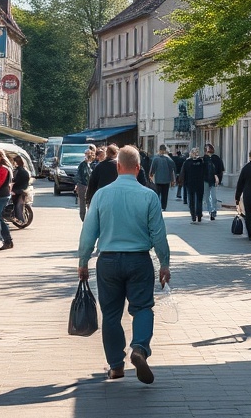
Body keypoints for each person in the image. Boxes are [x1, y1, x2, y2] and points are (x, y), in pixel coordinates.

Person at [77, 146, 171, 384]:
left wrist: (83, 261)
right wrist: (164, 264)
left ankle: (116, 366)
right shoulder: (149, 196)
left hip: (108, 260)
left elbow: (88, 233)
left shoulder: (101, 195)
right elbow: (159, 235)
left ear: (118, 166)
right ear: (139, 169)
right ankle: (139, 347)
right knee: (142, 308)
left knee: (110, 314)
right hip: (139, 259)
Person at [180, 147, 207, 224]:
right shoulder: (201, 162)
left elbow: (183, 173)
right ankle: (199, 215)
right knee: (199, 200)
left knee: (191, 200)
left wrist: (182, 182)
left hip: (190, 183)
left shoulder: (187, 162)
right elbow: (205, 171)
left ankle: (193, 216)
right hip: (200, 183)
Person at [149, 145, 177, 211]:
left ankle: (157, 206)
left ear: (159, 150)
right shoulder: (169, 159)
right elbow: (173, 169)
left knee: (157, 194)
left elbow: (152, 169)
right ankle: (164, 207)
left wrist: (151, 175)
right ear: (165, 150)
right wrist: (173, 179)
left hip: (158, 179)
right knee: (165, 194)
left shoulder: (156, 159)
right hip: (167, 180)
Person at [202, 143, 225, 221]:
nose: (208, 151)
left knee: (214, 197)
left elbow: (221, 170)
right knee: (206, 197)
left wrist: (219, 179)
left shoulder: (216, 158)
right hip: (205, 180)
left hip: (214, 180)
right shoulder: (203, 159)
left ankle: (213, 211)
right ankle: (210, 210)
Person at [75, 147, 95, 221]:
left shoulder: (93, 164)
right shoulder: (82, 164)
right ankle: (83, 217)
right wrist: (78, 184)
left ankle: (90, 217)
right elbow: (79, 175)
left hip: (90, 186)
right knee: (82, 202)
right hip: (82, 185)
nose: (87, 155)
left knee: (90, 202)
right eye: (86, 154)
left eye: (89, 154)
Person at [10, 154, 31, 223]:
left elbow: (15, 180)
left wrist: (12, 182)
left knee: (16, 203)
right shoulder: (25, 170)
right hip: (24, 189)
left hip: (18, 189)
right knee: (19, 204)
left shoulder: (18, 170)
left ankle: (17, 217)